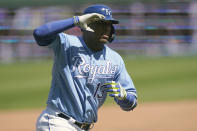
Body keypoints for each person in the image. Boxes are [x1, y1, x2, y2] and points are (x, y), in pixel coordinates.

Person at [33, 4, 137, 131]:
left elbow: (131, 103)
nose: (106, 29)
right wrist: (75, 20)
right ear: (86, 25)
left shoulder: (115, 59)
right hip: (58, 122)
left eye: (109, 24)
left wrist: (124, 97)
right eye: (101, 24)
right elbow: (39, 34)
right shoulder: (66, 43)